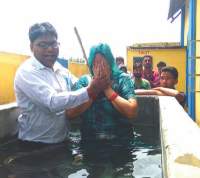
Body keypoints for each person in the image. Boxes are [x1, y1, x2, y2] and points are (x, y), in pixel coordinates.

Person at [14, 22, 110, 146]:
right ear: (32, 47)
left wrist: (95, 79)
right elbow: (52, 103)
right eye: (43, 45)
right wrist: (90, 90)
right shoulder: (26, 72)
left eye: (53, 44)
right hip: (35, 145)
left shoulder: (61, 70)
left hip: (62, 141)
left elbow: (78, 86)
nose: (49, 49)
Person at [66, 43, 138, 168]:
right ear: (90, 65)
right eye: (96, 64)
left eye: (103, 63)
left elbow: (132, 111)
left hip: (121, 143)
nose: (100, 68)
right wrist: (93, 90)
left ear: (110, 63)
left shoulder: (122, 79)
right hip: (91, 143)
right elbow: (70, 113)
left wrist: (107, 89)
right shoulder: (84, 81)